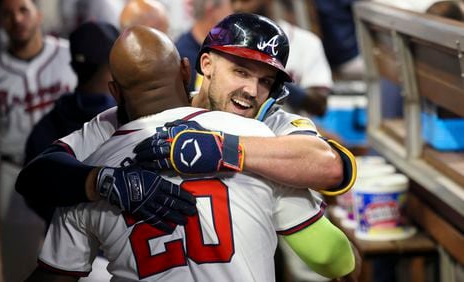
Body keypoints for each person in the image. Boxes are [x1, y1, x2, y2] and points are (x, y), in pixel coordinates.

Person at [26, 24, 355, 282]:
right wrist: (103, 182)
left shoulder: (266, 126)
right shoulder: (256, 131)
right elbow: (37, 174)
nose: (251, 91)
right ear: (197, 68)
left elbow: (330, 166)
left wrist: (225, 149)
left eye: (265, 81)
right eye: (240, 71)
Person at [0, 0, 77, 280]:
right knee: (18, 268)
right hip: (15, 173)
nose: (17, 19)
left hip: (71, 169)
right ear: (0, 22)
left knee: (78, 261)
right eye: (7, 14)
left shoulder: (70, 56)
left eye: (23, 10)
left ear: (38, 15)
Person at [24, 21, 118, 221]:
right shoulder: (128, 120)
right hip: (119, 245)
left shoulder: (47, 124)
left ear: (73, 66)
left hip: (65, 240)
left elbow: (33, 191)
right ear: (113, 65)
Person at [230, 0, 333, 117]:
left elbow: (320, 105)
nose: (237, 6)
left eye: (245, 1)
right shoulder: (226, 40)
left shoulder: (306, 42)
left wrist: (275, 80)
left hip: (285, 128)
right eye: (232, 1)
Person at [175, 0, 232, 92]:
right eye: (231, 5)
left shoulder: (225, 49)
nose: (234, 12)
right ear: (211, 10)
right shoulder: (182, 56)